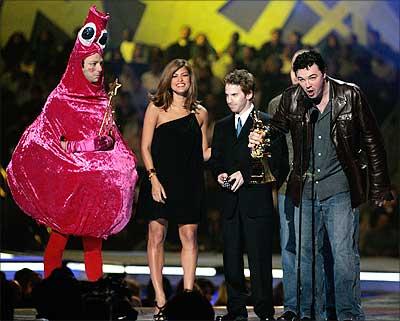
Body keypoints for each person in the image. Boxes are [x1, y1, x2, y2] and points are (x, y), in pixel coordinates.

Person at [250, 50, 392, 321]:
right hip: (304, 187)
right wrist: (262, 137)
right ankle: (309, 313)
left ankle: (348, 313)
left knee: (343, 254)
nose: (308, 85)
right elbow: (277, 128)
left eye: (313, 77)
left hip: (339, 186)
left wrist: (379, 185)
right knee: (305, 255)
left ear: (324, 74)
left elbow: (372, 139)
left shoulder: (350, 95)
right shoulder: (292, 99)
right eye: (302, 79)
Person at [6, 6, 138, 281]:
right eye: (93, 65)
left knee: (94, 243)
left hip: (93, 185)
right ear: (79, 65)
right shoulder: (60, 99)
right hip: (68, 184)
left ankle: (96, 292)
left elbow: (112, 142)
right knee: (58, 241)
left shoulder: (103, 100)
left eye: (100, 64)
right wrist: (84, 149)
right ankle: (52, 290)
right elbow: (50, 141)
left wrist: (116, 155)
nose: (99, 69)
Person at [210, 69, 289, 321]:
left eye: (234, 94)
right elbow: (217, 160)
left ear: (249, 94)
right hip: (231, 202)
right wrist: (220, 174)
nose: (229, 99)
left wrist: (245, 174)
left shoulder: (266, 123)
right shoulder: (222, 126)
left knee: (259, 260)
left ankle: (264, 311)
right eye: (227, 95)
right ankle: (236, 311)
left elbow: (276, 163)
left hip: (256, 202)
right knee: (231, 260)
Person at [136, 58, 210, 320]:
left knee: (189, 236)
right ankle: (160, 298)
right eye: (176, 75)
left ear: (191, 81)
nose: (180, 79)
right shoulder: (156, 108)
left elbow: (203, 153)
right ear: (168, 79)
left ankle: (188, 297)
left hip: (189, 182)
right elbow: (144, 147)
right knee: (156, 236)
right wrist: (153, 179)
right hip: (160, 180)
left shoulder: (200, 113)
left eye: (185, 76)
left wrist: (234, 145)